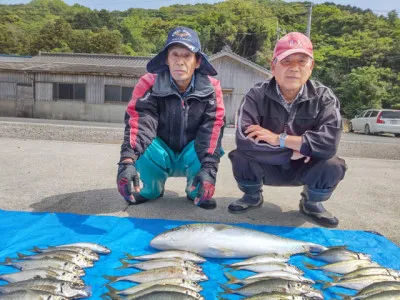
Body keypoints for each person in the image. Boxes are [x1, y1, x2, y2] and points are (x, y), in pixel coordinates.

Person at [228, 32, 346, 227]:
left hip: (306, 167)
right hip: (271, 164)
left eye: (301, 61)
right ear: (273, 66)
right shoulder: (255, 95)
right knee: (241, 156)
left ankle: (311, 202)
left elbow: (329, 143)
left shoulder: (324, 96)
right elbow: (244, 140)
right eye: (286, 61)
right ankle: (252, 195)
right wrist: (292, 152)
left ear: (311, 67)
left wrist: (279, 139)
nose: (294, 68)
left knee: (332, 163)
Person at [117, 26, 225, 209]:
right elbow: (140, 124)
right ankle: (152, 189)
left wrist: (209, 169)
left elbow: (213, 127)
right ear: (166, 59)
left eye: (187, 56)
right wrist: (126, 162)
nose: (180, 62)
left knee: (212, 144)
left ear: (197, 61)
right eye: (175, 54)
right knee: (144, 144)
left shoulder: (212, 88)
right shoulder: (148, 83)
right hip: (161, 153)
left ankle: (195, 190)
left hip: (192, 153)